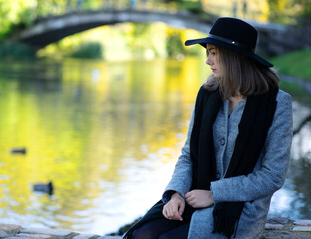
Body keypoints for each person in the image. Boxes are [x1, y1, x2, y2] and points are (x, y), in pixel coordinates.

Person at [124, 17, 293, 239]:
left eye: (214, 53)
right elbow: (188, 156)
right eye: (208, 53)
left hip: (238, 210)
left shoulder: (276, 104)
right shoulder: (208, 94)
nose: (208, 60)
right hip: (194, 195)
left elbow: (272, 176)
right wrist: (176, 194)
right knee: (142, 234)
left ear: (234, 57)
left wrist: (215, 194)